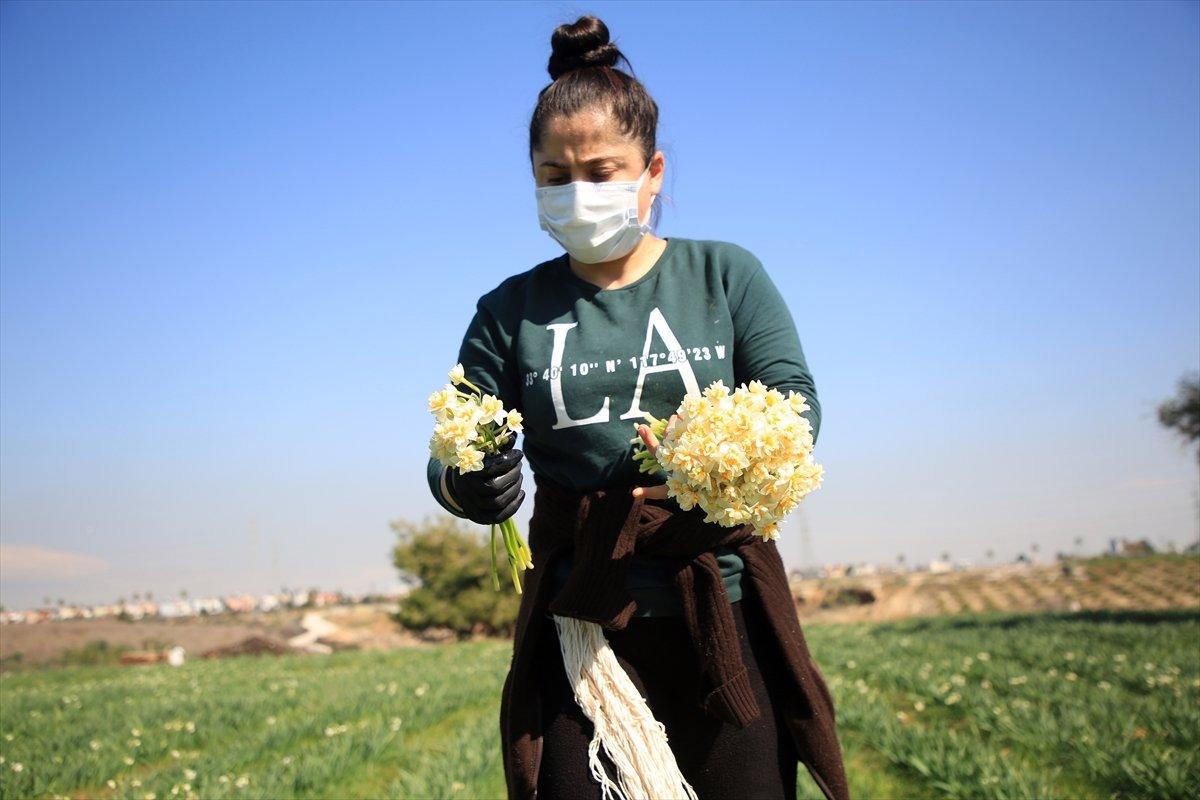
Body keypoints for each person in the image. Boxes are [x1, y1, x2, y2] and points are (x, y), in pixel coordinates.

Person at [424, 14, 848, 800]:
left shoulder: (724, 275)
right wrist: (464, 481)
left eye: (602, 170)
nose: (577, 193)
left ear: (651, 172)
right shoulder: (509, 309)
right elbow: (452, 443)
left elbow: (795, 407)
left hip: (717, 602)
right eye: (554, 176)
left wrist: (718, 462)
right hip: (579, 620)